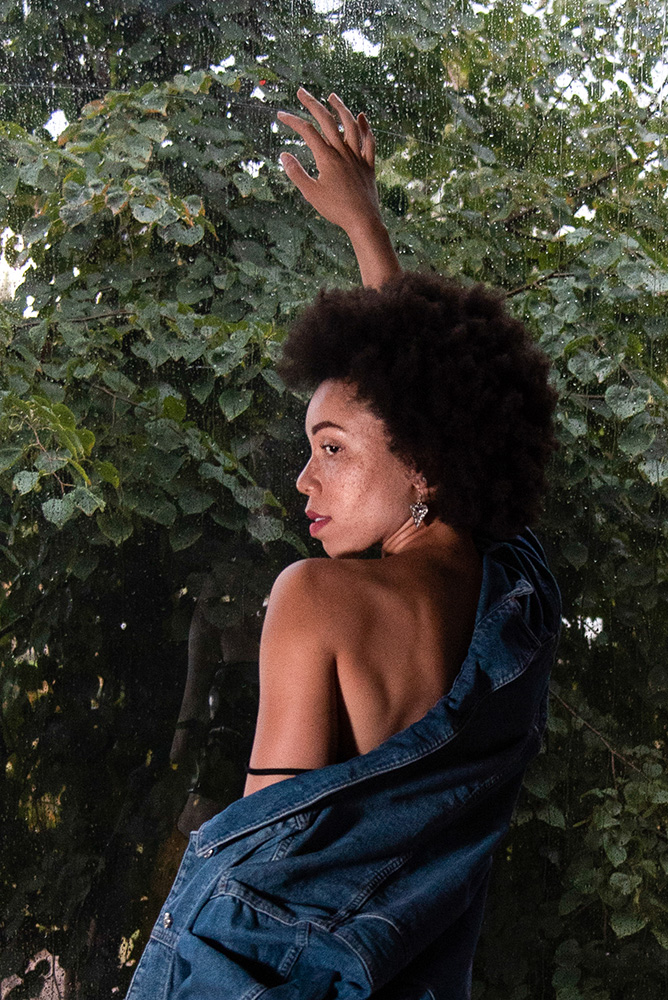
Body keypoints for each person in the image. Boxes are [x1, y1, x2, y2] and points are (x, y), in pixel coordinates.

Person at [124, 90, 561, 1000]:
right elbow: (431, 390)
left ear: (428, 461)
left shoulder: (316, 599)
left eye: (330, 450)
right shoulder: (517, 601)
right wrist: (368, 228)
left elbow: (254, 866)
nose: (304, 480)